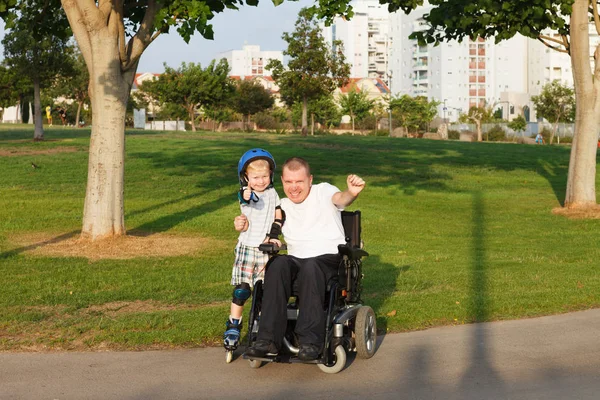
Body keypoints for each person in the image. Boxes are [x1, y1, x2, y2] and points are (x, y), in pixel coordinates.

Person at [243, 157, 365, 361]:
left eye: (299, 181)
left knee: (311, 266)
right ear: (282, 180)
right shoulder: (282, 205)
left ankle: (310, 341)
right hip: (296, 261)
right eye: (289, 182)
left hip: (327, 260)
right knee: (278, 264)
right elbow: (269, 231)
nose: (294, 187)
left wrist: (351, 193)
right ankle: (267, 341)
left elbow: (340, 199)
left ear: (310, 180)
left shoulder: (323, 191)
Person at [224, 148, 284, 352]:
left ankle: (261, 325)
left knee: (266, 292)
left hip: (266, 249)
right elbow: (245, 198)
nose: (260, 181)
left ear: (271, 176)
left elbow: (278, 215)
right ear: (246, 177)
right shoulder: (246, 193)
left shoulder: (273, 193)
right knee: (242, 290)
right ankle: (234, 324)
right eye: (256, 177)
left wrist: (275, 234)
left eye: (265, 176)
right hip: (248, 247)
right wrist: (246, 195)